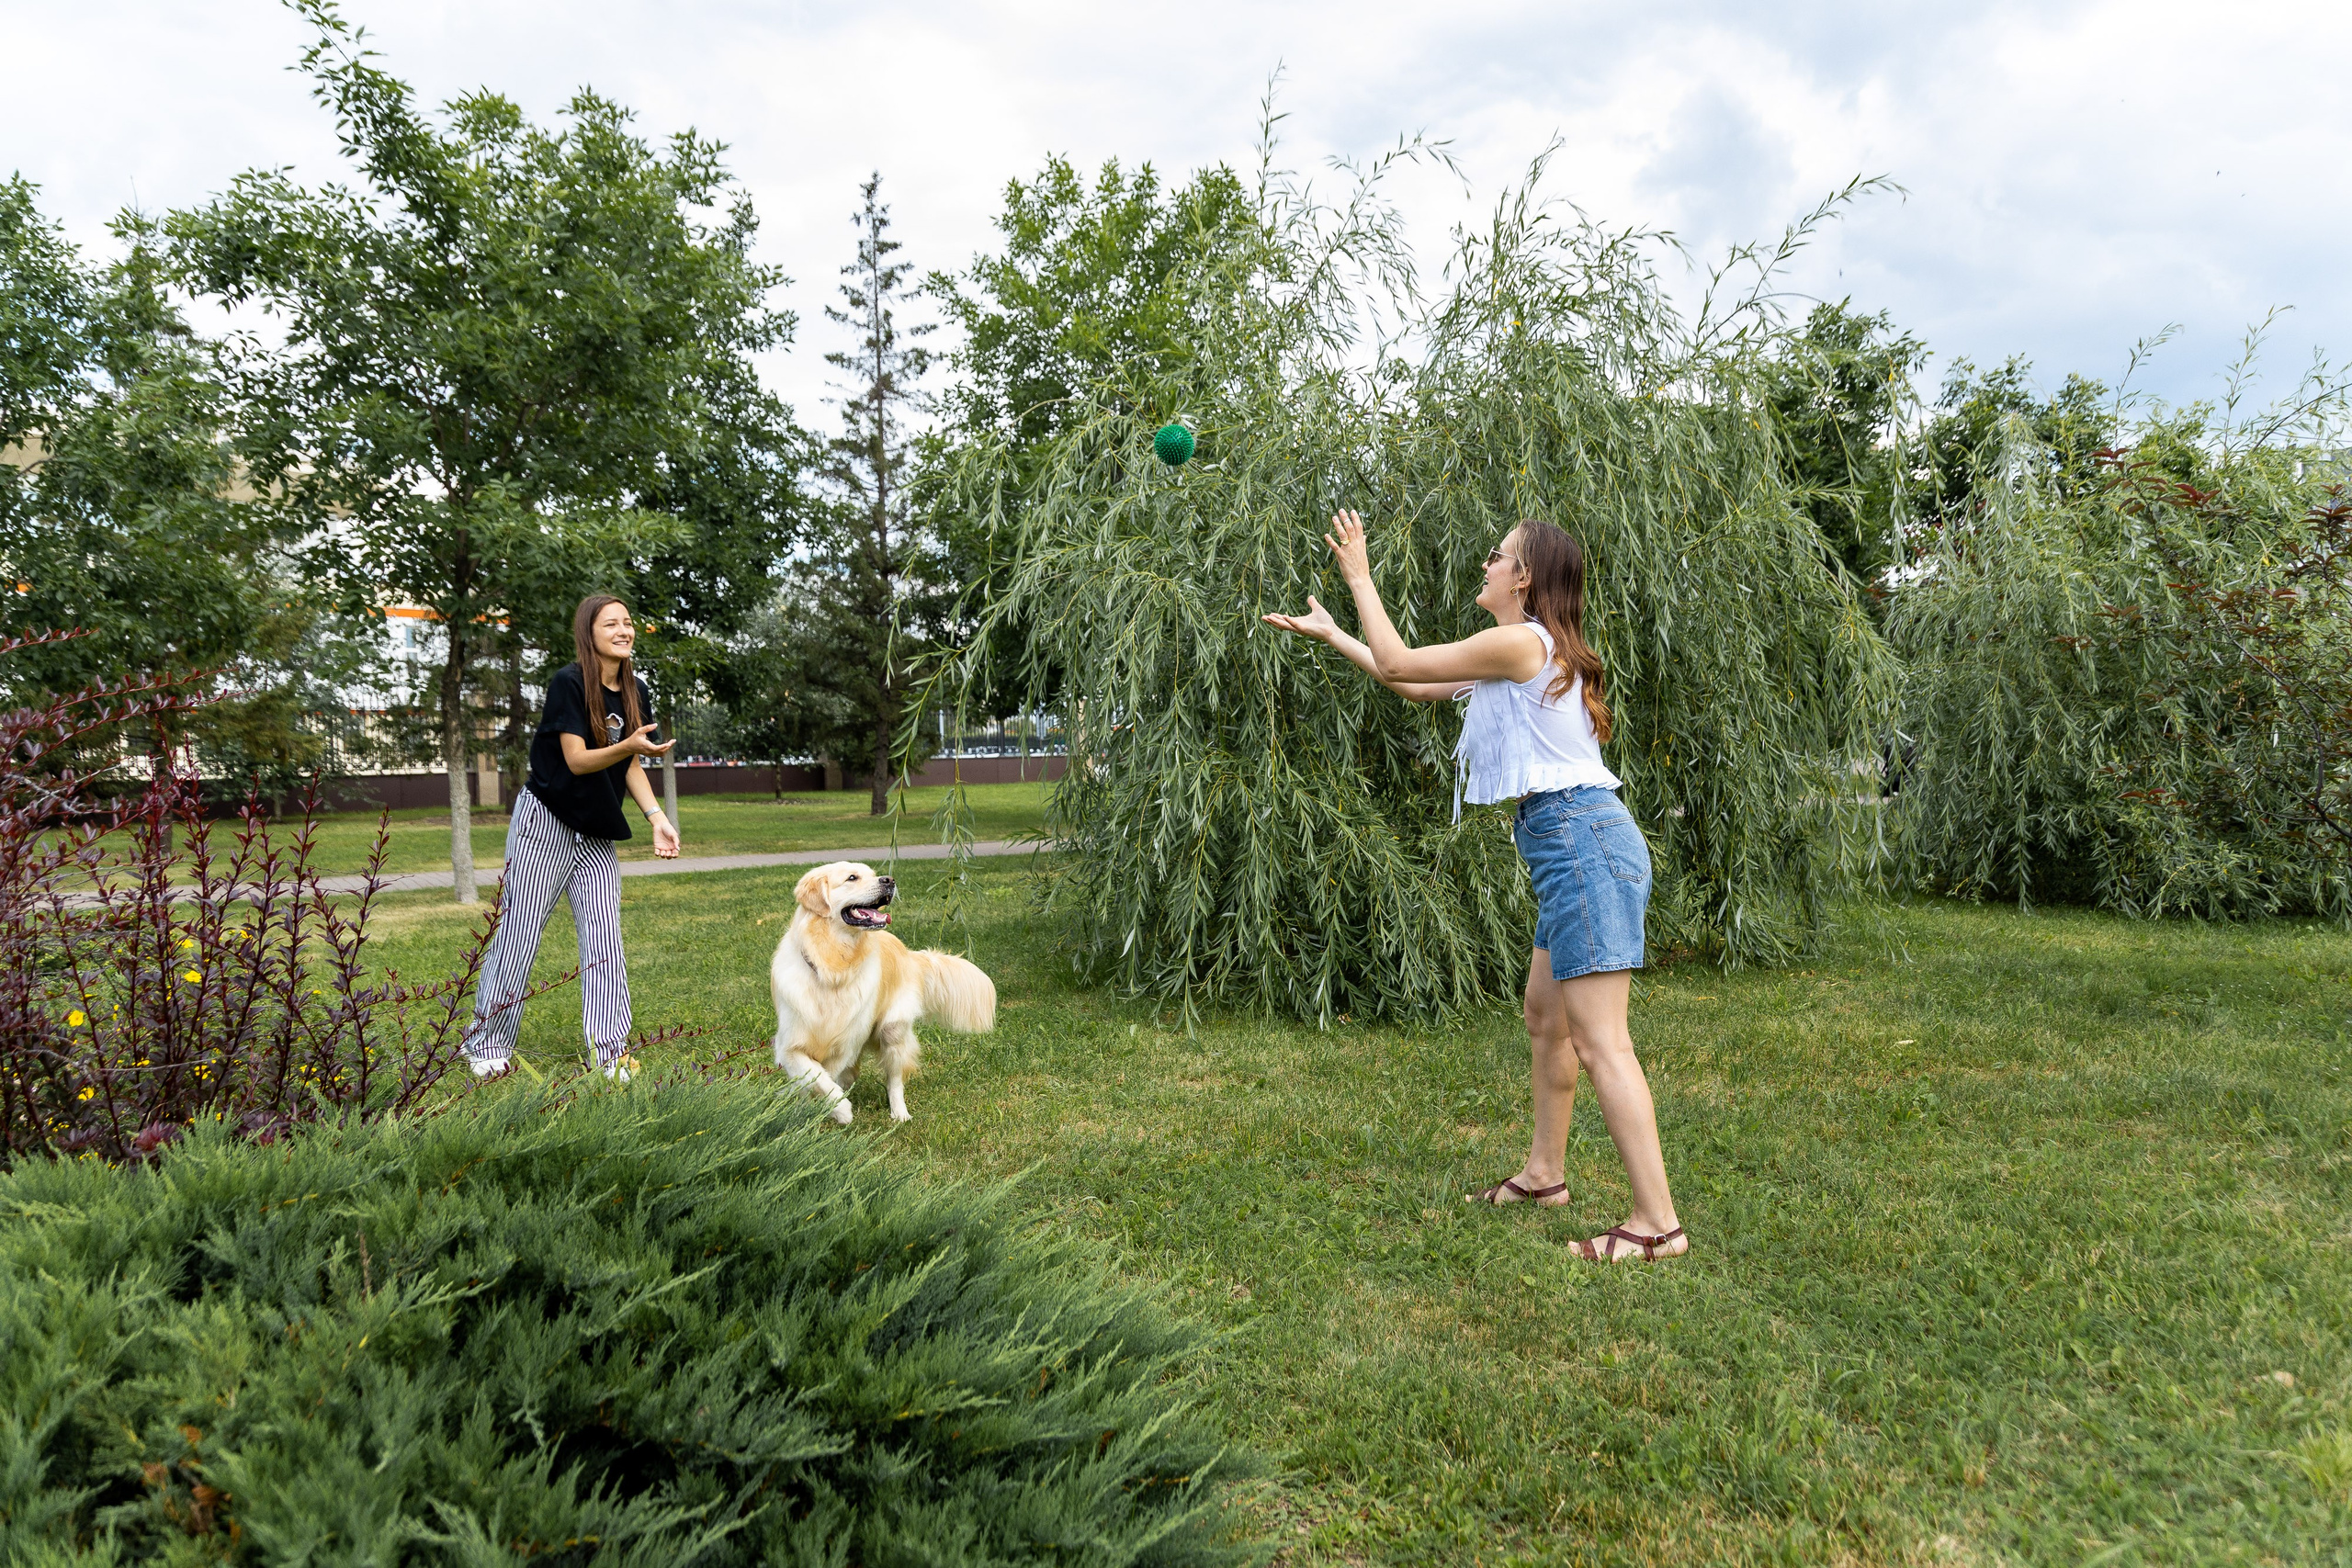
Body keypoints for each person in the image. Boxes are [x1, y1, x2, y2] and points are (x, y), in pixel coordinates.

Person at [1263, 512, 1687, 1262]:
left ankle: (1657, 1222)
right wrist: (1335, 635)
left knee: (1600, 1039)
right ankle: (1544, 1174)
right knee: (1545, 1016)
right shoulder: (1522, 650)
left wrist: (1360, 576)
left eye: (1498, 556)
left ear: (1522, 578)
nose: (1485, 564)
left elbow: (1399, 663)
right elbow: (1416, 686)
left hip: (1580, 842)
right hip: (1570, 843)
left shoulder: (1521, 642)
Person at [463, 593, 680, 1082]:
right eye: (612, 624)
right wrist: (627, 744)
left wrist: (656, 816)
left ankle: (610, 1051)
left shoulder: (634, 689)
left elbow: (629, 763)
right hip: (547, 820)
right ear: (590, 632)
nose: (624, 630)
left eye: (628, 622)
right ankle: (486, 1042)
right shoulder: (569, 682)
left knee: (606, 939)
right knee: (519, 934)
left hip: (597, 830)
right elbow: (579, 760)